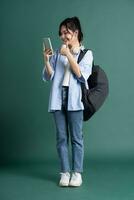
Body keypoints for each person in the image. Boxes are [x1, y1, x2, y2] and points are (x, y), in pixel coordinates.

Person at [42, 16, 93, 187]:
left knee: (77, 138)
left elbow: (80, 75)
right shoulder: (57, 53)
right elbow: (49, 76)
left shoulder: (86, 54)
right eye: (61, 33)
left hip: (74, 100)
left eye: (67, 33)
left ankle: (77, 173)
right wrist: (47, 60)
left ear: (76, 32)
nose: (63, 36)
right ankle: (64, 172)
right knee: (61, 138)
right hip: (58, 99)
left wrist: (69, 55)